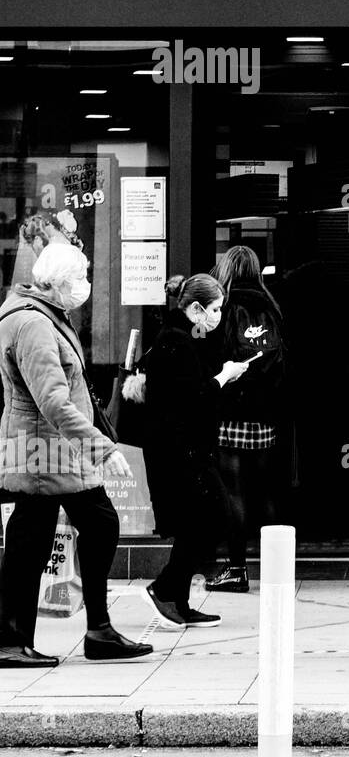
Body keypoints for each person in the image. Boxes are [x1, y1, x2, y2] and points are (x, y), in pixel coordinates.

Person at [0, 238, 152, 665]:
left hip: (51, 450)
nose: (85, 287)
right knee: (49, 535)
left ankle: (88, 631)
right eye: (80, 279)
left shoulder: (42, 316)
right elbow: (53, 400)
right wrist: (101, 448)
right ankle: (19, 639)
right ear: (56, 283)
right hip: (46, 452)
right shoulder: (33, 325)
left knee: (46, 534)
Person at [142, 274, 253, 628]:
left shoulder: (186, 337)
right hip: (179, 450)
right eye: (215, 308)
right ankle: (165, 588)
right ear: (195, 308)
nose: (219, 315)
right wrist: (224, 377)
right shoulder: (174, 342)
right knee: (209, 517)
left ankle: (178, 599)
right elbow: (192, 398)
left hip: (186, 448)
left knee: (200, 520)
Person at [205, 246, 289, 594]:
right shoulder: (271, 305)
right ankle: (276, 567)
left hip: (231, 410)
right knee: (265, 490)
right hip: (264, 411)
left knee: (234, 490)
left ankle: (237, 568)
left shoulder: (223, 306)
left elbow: (214, 355)